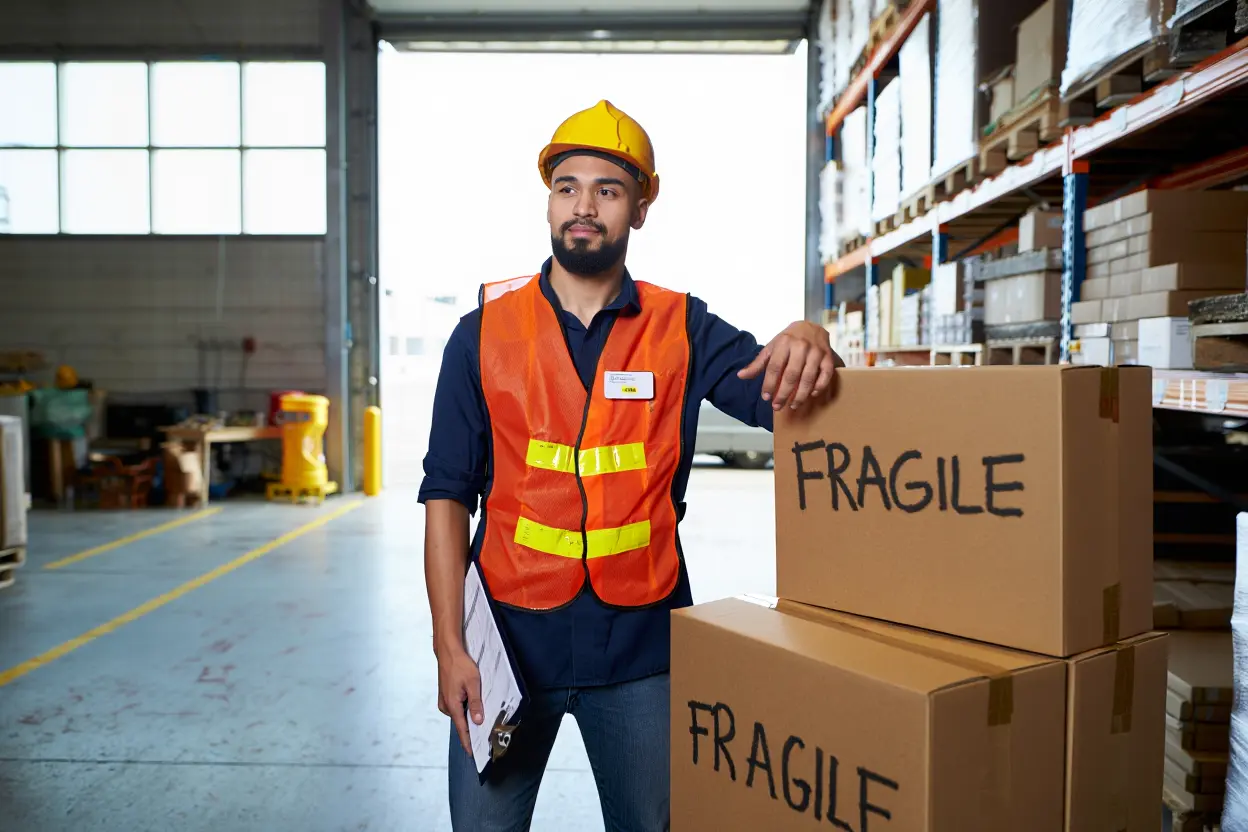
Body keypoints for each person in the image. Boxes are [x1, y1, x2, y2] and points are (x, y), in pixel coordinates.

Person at [420, 99, 841, 831]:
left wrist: (810, 336)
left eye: (608, 190)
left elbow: (794, 402)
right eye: (567, 187)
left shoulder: (683, 326)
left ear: (640, 207)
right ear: (549, 202)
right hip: (509, 647)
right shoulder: (482, 334)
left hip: (643, 649)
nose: (583, 206)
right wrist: (448, 647)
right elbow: (446, 498)